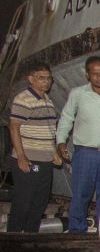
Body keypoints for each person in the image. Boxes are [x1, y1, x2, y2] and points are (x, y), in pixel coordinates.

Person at [55, 56, 100, 234]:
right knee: (80, 195)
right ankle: (77, 232)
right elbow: (66, 119)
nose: (99, 77)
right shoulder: (77, 94)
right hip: (85, 153)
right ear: (87, 75)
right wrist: (61, 142)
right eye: (95, 74)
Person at [6, 63, 61, 232]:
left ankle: (31, 237)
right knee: (24, 201)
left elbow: (48, 130)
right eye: (41, 78)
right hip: (30, 159)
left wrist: (54, 152)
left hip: (45, 160)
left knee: (40, 202)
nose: (46, 82)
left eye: (49, 78)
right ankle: (13, 239)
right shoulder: (23, 99)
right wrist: (21, 156)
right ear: (30, 79)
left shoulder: (47, 100)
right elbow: (14, 127)